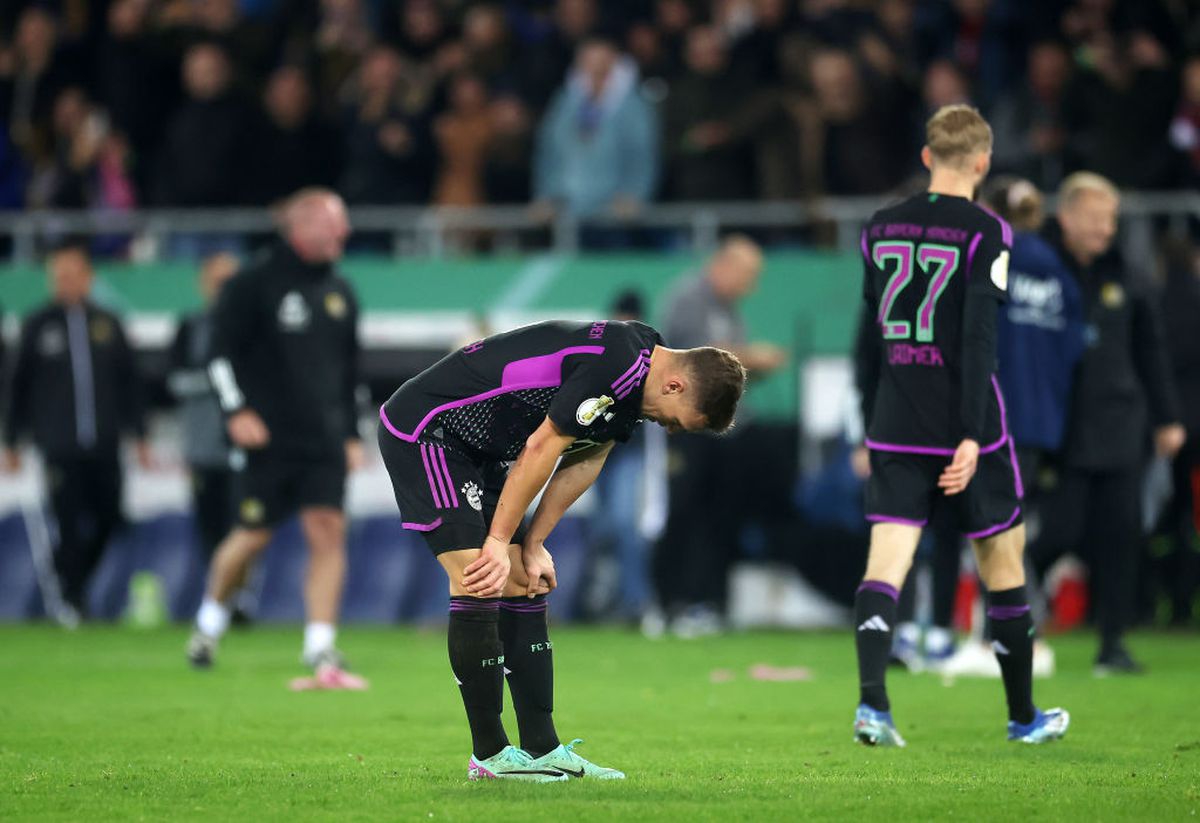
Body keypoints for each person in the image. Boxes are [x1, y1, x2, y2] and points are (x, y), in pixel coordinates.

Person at [377, 319, 745, 780]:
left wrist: (533, 543)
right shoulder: (618, 366)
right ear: (676, 384)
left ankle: (541, 750)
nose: (670, 430)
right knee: (478, 575)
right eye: (677, 420)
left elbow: (584, 459)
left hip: (482, 452)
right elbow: (541, 446)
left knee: (525, 582)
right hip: (430, 430)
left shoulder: (640, 371)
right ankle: (489, 757)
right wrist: (495, 542)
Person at [854, 104, 1068, 747]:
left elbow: (868, 340)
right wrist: (972, 435)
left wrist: (870, 421)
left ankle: (873, 709)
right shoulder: (987, 231)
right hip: (966, 424)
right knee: (1003, 562)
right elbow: (978, 340)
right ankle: (1023, 717)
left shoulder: (877, 227)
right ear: (982, 161)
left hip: (895, 421)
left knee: (885, 566)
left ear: (927, 157)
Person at [186, 189, 365, 687]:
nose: (344, 234)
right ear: (301, 227)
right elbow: (218, 356)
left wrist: (352, 433)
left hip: (324, 442)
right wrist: (235, 410)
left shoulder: (341, 293)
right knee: (252, 537)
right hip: (268, 441)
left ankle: (320, 644)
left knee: (327, 530)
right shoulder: (251, 284)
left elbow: (350, 373)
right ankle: (208, 623)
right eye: (335, 225)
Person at [1030, 172, 1185, 673]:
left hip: (1121, 425)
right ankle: (1009, 619)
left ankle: (1112, 643)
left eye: (1111, 220)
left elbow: (1151, 351)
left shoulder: (1128, 276)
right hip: (1061, 429)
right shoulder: (1040, 270)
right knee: (1058, 533)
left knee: (1120, 538)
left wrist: (1167, 417)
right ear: (1066, 217)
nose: (1104, 229)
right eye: (1095, 219)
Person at [3, 240, 150, 624]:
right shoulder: (38, 324)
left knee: (109, 518)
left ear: (88, 277)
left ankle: (73, 584)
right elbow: (17, 387)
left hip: (104, 441)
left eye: (72, 274)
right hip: (58, 443)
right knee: (66, 522)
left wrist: (141, 433)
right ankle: (74, 600)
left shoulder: (108, 323)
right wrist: (11, 441)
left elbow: (129, 383)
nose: (65, 282)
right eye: (58, 276)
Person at [656, 236, 784, 635]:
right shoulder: (689, 298)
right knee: (684, 510)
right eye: (749, 276)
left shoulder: (729, 311)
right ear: (725, 266)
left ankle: (708, 602)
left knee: (718, 516)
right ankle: (669, 603)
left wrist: (751, 370)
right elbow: (701, 359)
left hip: (721, 431)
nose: (752, 286)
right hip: (686, 428)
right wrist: (751, 357)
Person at [167, 253, 240, 598]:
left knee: (245, 526)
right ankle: (219, 599)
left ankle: (240, 596)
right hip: (204, 447)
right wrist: (218, 382)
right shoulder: (190, 326)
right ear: (204, 284)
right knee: (210, 527)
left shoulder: (252, 327)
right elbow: (174, 382)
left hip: (245, 449)